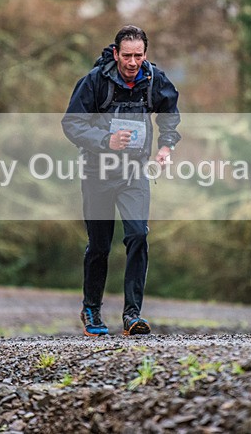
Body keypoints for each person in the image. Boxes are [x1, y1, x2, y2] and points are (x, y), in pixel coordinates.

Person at [62, 25, 181, 336]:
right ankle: (92, 310)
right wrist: (105, 140)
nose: (132, 62)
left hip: (134, 172)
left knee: (138, 235)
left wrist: (166, 146)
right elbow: (72, 123)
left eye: (138, 56)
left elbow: (169, 112)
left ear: (145, 54)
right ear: (115, 54)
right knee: (100, 245)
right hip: (98, 172)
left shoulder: (154, 78)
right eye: (126, 55)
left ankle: (132, 315)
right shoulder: (95, 81)